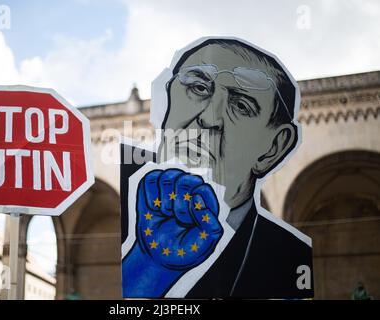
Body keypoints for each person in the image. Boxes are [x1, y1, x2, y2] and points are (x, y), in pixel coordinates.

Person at [122, 37, 313, 298]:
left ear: (274, 148)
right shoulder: (138, 237)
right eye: (198, 87)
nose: (209, 117)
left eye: (241, 105)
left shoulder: (289, 258)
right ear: (166, 101)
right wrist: (148, 266)